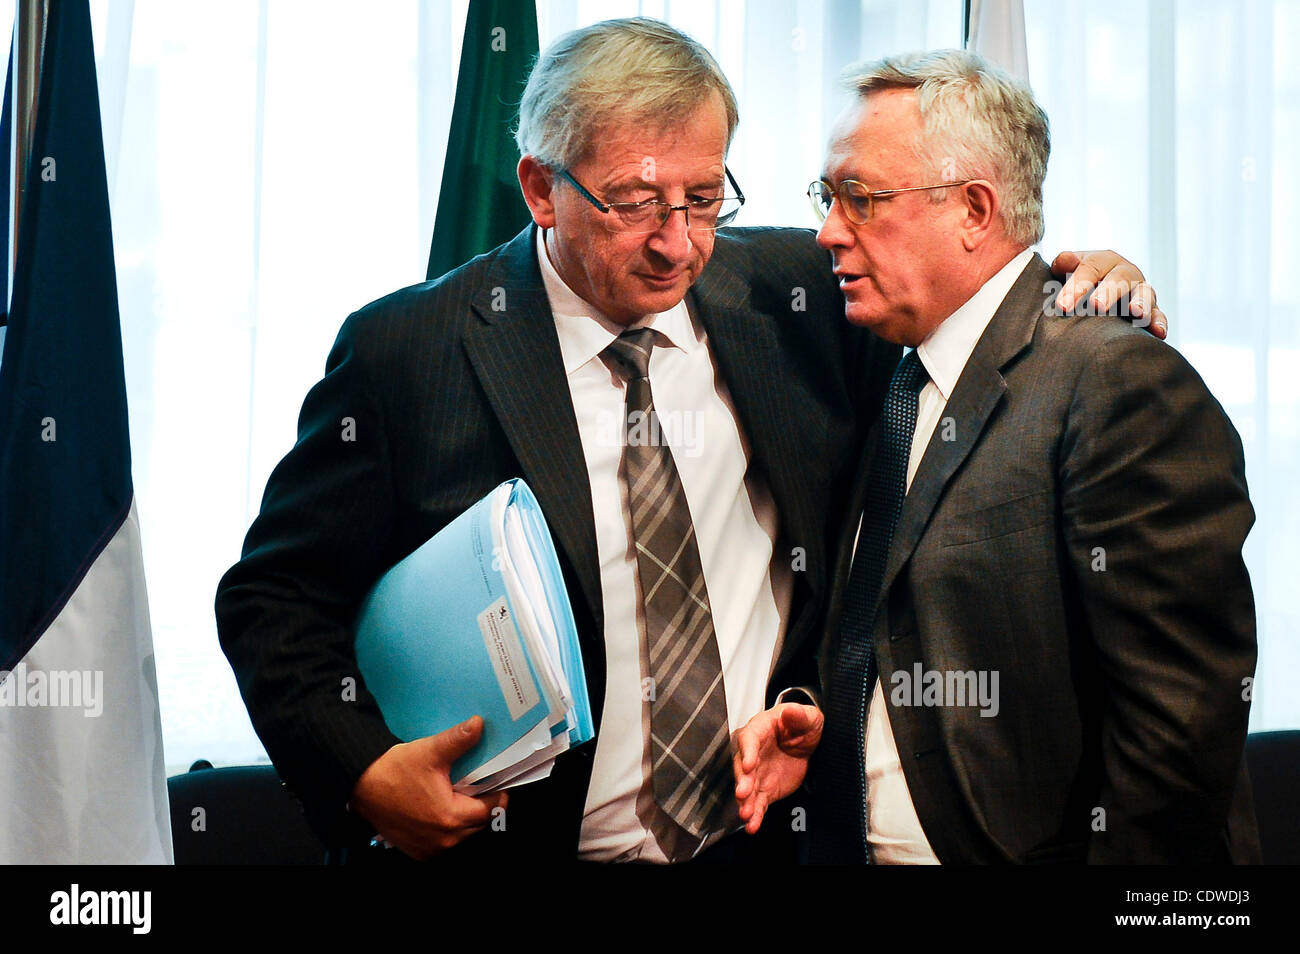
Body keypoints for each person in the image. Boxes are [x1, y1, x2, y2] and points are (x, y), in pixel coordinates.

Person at [216, 19, 1160, 864]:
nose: (678, 244)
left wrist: (1086, 284)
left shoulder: (794, 294)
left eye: (706, 198)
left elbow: (960, 289)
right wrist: (364, 772)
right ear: (543, 188)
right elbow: (274, 600)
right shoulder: (409, 352)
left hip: (759, 845)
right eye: (635, 203)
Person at [733, 48, 1258, 864]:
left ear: (974, 210)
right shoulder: (893, 369)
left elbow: (1181, 726)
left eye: (858, 198)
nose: (826, 231)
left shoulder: (1115, 379)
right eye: (825, 196)